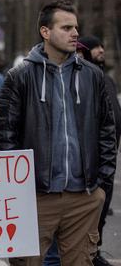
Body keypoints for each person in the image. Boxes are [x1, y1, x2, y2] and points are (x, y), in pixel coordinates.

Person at [0, 0, 116, 266]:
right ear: (45, 32)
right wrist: (18, 193)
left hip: (83, 198)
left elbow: (107, 131)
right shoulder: (20, 76)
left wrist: (102, 188)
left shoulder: (93, 76)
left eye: (76, 27)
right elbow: (5, 138)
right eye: (66, 27)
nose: (75, 33)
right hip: (36, 198)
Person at [78, 35, 121, 266]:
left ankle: (95, 251)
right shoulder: (84, 80)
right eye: (96, 48)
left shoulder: (107, 80)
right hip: (91, 163)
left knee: (102, 214)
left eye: (103, 46)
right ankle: (89, 255)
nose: (102, 50)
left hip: (108, 160)